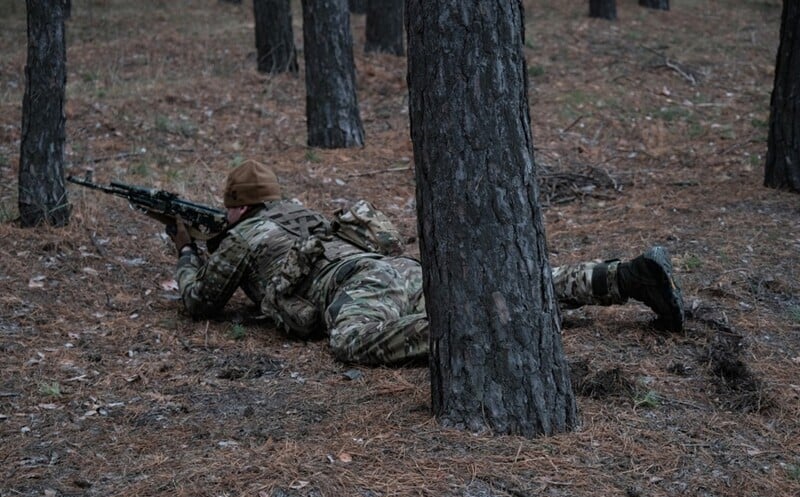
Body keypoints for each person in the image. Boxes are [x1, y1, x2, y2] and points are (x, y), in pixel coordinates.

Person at [170, 160, 684, 366]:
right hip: (398, 269)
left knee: (350, 342)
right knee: (511, 282)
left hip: (357, 286)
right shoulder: (298, 215)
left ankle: (492, 321)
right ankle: (622, 276)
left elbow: (199, 302)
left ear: (237, 207)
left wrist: (187, 252)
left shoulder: (246, 234)